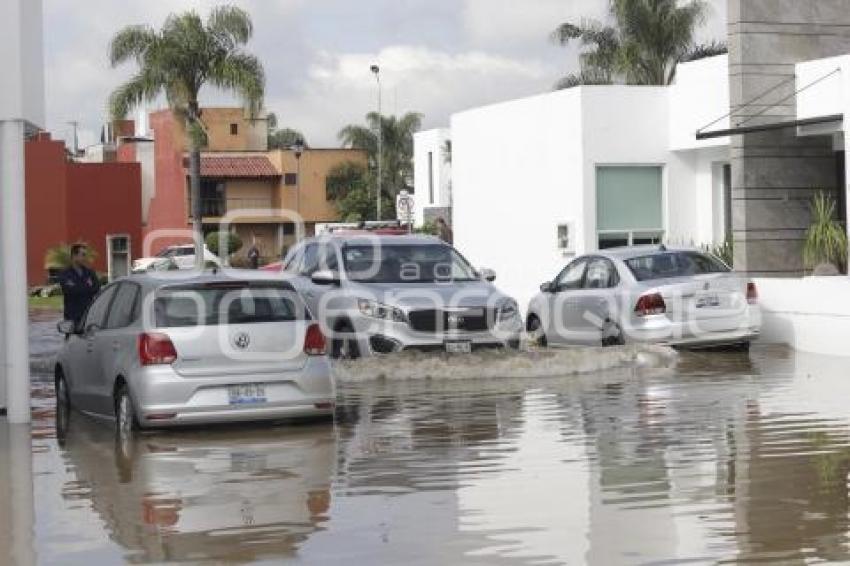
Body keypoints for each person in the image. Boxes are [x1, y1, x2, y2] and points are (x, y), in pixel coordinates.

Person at [58, 243, 101, 326]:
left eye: (85, 255)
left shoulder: (89, 272)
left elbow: (96, 289)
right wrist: (88, 286)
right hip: (72, 317)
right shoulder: (65, 274)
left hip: (88, 316)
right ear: (74, 256)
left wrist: (77, 285)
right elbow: (70, 291)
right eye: (83, 255)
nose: (85, 258)